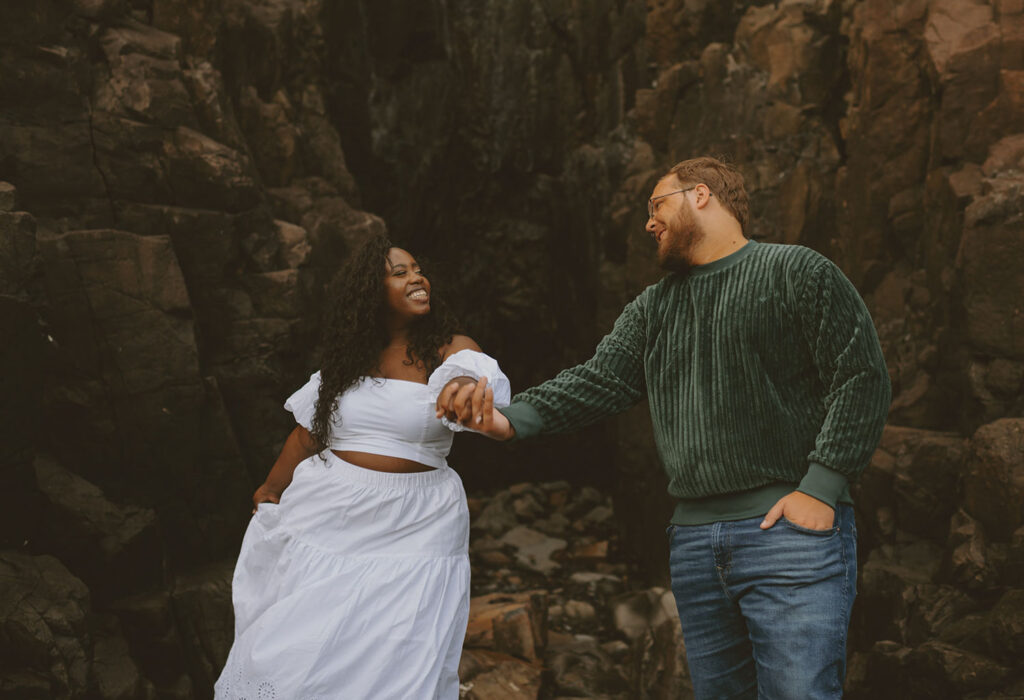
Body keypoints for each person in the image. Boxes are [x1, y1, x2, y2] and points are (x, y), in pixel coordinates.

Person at [437, 157, 891, 699]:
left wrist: (820, 489)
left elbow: (862, 376)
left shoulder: (797, 271)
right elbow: (598, 381)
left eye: (657, 206)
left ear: (701, 195)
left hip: (788, 538)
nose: (648, 224)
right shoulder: (653, 308)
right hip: (696, 546)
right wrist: (506, 420)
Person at [215, 236, 510, 699]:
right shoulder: (347, 362)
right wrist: (270, 489)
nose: (416, 278)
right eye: (399, 272)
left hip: (420, 519)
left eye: (417, 269)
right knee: (303, 640)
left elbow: (473, 376)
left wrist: (467, 386)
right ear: (371, 293)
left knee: (399, 646)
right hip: (330, 509)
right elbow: (309, 434)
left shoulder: (449, 349)